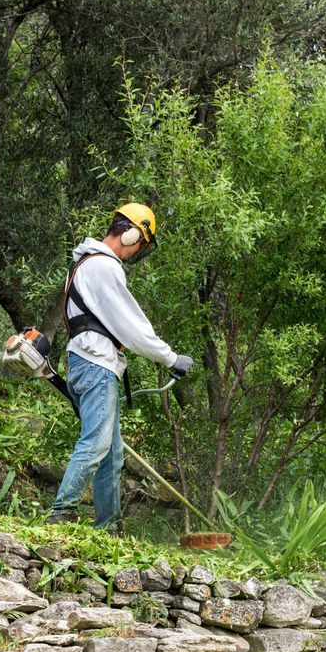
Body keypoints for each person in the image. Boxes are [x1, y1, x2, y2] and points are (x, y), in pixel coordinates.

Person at [49, 202, 195, 527]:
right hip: (96, 364)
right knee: (97, 442)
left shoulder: (87, 264)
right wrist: (171, 358)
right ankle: (60, 513)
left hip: (90, 363)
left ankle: (108, 526)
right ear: (130, 235)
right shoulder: (103, 267)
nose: (135, 252)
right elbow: (132, 326)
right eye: (140, 244)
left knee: (111, 454)